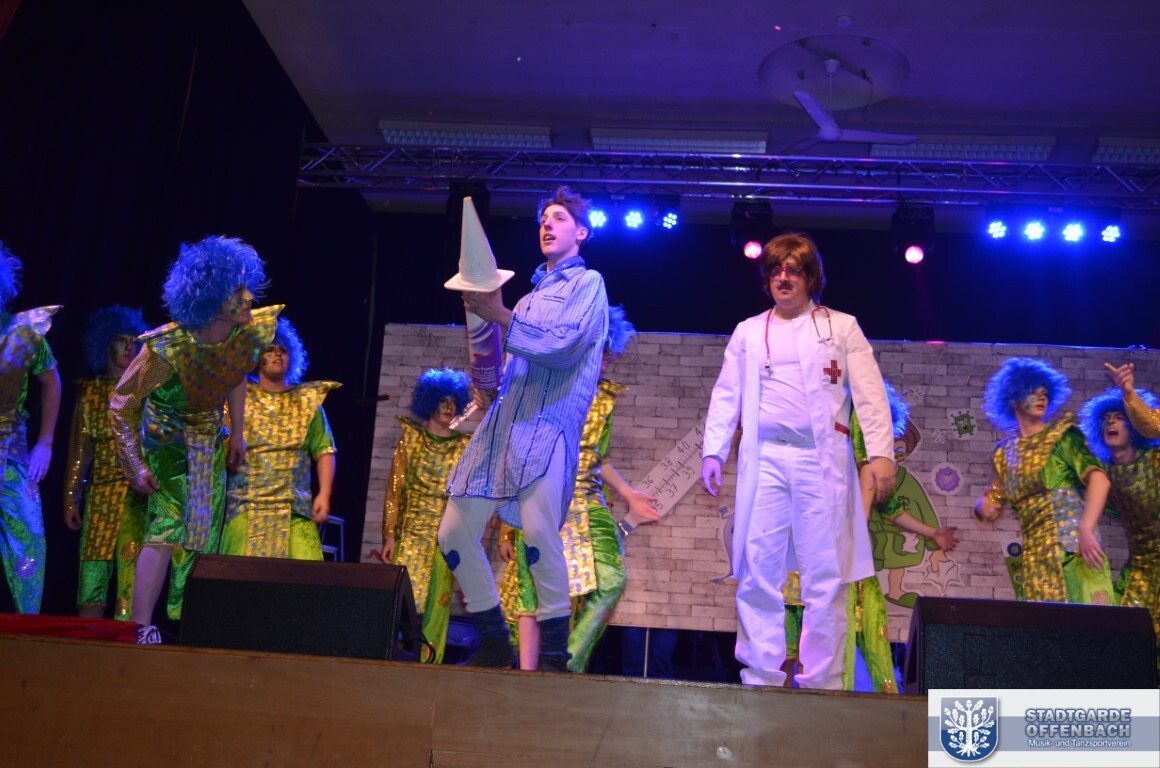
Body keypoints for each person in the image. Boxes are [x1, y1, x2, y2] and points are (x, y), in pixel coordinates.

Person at [701, 232, 895, 689]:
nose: (783, 277)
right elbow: (727, 394)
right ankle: (760, 676)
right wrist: (713, 450)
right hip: (766, 458)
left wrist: (881, 453)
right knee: (758, 568)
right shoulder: (749, 331)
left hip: (818, 461)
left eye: (793, 270)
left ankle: (822, 680)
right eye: (776, 270)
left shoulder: (840, 327)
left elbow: (870, 393)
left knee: (824, 572)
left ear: (811, 277)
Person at [438, 185, 609, 672]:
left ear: (582, 232)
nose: (547, 225)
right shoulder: (530, 299)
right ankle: (494, 640)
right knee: (453, 533)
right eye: (543, 219)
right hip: (504, 427)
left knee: (538, 535)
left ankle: (553, 654)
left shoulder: (588, 284)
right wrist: (485, 385)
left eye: (559, 218)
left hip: (547, 426)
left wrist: (497, 313)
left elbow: (563, 347)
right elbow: (513, 366)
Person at [111, 235, 280, 643]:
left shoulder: (243, 336)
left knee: (204, 533)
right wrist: (134, 463)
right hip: (167, 439)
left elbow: (234, 373)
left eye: (246, 288)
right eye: (236, 291)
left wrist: (238, 432)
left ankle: (189, 627)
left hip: (208, 438)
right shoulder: (166, 349)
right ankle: (140, 627)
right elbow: (122, 403)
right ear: (210, 297)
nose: (248, 297)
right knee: (167, 527)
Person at [497, 306, 659, 672]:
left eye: (609, 355)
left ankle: (565, 663)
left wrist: (627, 493)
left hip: (588, 499)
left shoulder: (605, 399)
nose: (605, 361)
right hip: (544, 497)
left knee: (611, 581)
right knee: (537, 591)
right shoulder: (545, 388)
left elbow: (598, 457)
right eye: (599, 352)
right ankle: (530, 673)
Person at [844, 380, 958, 692]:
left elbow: (892, 509)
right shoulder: (834, 460)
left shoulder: (874, 468)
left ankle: (881, 700)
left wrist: (933, 533)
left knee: (870, 627)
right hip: (831, 557)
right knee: (832, 629)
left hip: (857, 561)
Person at [975, 357, 1113, 605]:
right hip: (1037, 563)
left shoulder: (1062, 438)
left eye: (1045, 394)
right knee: (1046, 626)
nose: (1041, 398)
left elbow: (1099, 479)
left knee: (1089, 624)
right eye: (1033, 393)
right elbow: (994, 497)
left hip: (1075, 551)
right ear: (1014, 398)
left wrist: (1086, 528)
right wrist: (984, 506)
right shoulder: (1004, 454)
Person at [221, 317, 337, 560]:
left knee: (299, 579)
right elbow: (221, 448)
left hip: (295, 511)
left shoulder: (308, 401)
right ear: (256, 356)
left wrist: (324, 493)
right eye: (270, 349)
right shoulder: (238, 399)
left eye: (282, 350)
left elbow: (324, 450)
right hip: (246, 508)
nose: (277, 355)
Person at [380, 367, 472, 664]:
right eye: (442, 400)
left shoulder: (464, 446)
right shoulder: (411, 440)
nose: (448, 407)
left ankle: (429, 667)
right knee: (402, 605)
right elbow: (395, 491)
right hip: (411, 534)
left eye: (453, 402)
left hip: (446, 537)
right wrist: (389, 535)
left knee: (438, 606)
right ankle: (390, 662)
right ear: (430, 401)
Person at [62, 305, 148, 618]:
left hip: (135, 495)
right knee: (92, 567)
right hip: (99, 494)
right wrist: (71, 498)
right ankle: (88, 641)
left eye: (133, 340)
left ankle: (126, 640)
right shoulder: (91, 394)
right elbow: (79, 451)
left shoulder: (144, 393)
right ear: (105, 343)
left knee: (131, 567)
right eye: (121, 339)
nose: (128, 346)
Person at [1082, 365, 1160, 669]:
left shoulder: (1155, 459)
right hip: (1143, 565)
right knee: (1126, 634)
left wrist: (1128, 392)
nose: (1110, 422)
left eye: (1118, 417)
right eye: (1105, 419)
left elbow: (1153, 424)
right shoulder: (1104, 472)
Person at [0, 242, 61, 614]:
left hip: (13, 448)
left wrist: (46, 442)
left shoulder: (23, 332)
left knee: (30, 537)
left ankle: (26, 627)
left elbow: (51, 382)